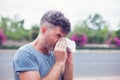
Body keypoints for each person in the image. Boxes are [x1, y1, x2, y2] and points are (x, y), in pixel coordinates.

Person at [13, 10, 73, 80]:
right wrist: (59, 63)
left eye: (63, 37)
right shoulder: (25, 54)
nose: (61, 41)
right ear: (43, 30)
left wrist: (69, 61)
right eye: (58, 36)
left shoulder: (57, 53)